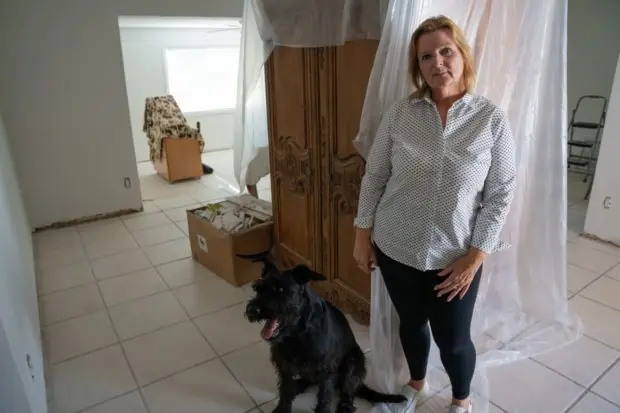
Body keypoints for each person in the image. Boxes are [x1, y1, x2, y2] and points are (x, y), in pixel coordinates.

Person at [353, 15, 517, 413]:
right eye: (426, 56)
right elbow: (375, 175)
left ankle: (461, 400)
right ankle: (416, 383)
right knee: (410, 324)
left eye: (446, 51)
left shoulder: (491, 120)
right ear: (418, 66)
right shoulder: (400, 114)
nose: (437, 62)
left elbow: (501, 193)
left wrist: (475, 257)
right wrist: (362, 235)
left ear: (462, 55)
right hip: (396, 246)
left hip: (454, 258)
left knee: (454, 339)